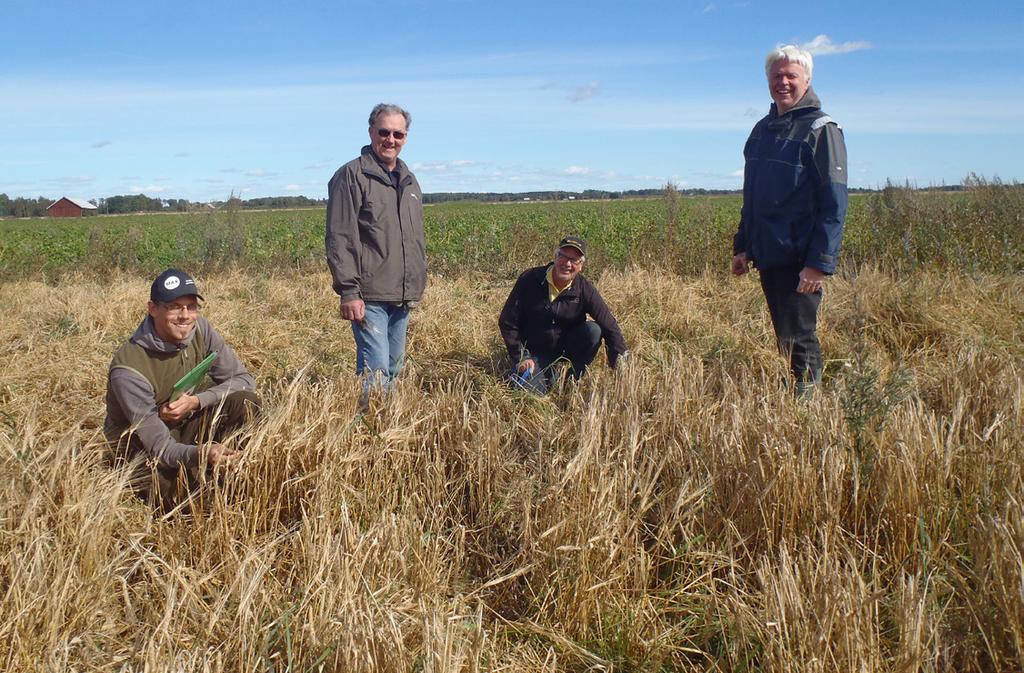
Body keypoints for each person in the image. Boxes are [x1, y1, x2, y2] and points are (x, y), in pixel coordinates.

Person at [731, 44, 848, 396]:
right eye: (776, 76)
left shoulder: (821, 129)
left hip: (801, 257)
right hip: (770, 252)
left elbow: (834, 203)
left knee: (800, 333)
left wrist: (819, 264)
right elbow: (752, 197)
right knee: (785, 332)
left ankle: (808, 403)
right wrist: (743, 247)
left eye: (790, 76)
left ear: (807, 80)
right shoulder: (762, 130)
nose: (783, 82)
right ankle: (800, 387)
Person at [104, 268, 261, 510]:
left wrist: (197, 402)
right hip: (143, 449)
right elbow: (159, 448)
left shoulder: (201, 330)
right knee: (187, 502)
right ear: (153, 309)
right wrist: (202, 454)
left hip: (183, 424)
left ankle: (236, 466)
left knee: (245, 402)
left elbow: (243, 379)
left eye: (191, 306)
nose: (185, 316)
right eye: (174, 307)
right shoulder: (129, 370)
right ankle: (205, 473)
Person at [325, 103, 427, 402]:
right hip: (369, 294)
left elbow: (414, 238)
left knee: (394, 367)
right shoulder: (351, 176)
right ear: (371, 132)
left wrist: (418, 280)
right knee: (376, 369)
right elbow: (340, 236)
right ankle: (373, 432)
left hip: (403, 293)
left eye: (398, 133)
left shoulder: (409, 181)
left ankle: (389, 425)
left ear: (406, 137)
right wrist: (349, 291)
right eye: (384, 132)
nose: (390, 139)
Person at [498, 236, 628, 394]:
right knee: (529, 393)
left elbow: (609, 324)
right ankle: (547, 376)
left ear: (581, 266)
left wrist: (622, 363)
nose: (567, 264)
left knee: (594, 330)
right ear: (555, 257)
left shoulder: (584, 289)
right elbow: (507, 321)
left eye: (574, 260)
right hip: (534, 352)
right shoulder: (530, 279)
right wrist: (521, 357)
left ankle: (571, 381)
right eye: (563, 256)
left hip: (566, 348)